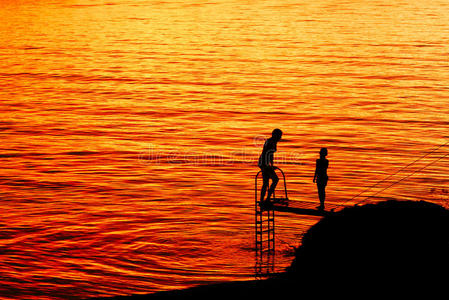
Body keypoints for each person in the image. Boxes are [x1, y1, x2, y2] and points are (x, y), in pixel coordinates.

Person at [258, 129, 283, 208]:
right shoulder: (271, 142)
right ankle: (267, 198)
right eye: (279, 136)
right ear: (275, 135)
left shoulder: (271, 141)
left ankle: (263, 199)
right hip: (264, 163)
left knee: (265, 183)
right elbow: (267, 153)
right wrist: (268, 166)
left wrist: (272, 165)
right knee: (275, 179)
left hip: (263, 163)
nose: (280, 137)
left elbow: (271, 154)